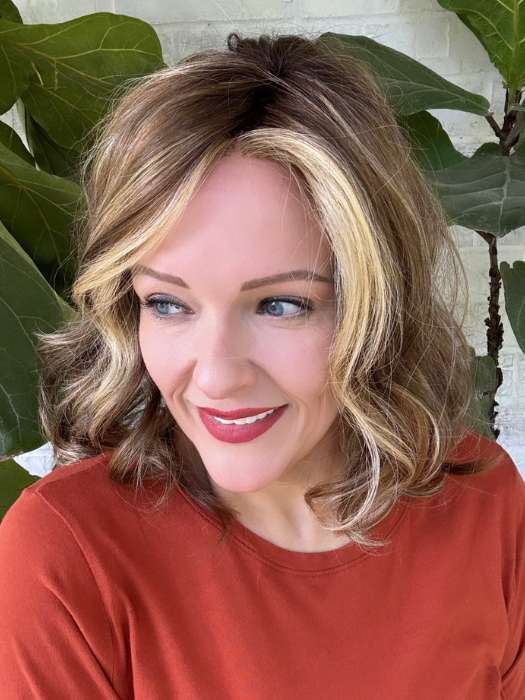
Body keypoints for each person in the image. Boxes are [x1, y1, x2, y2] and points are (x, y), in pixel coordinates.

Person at [0, 31, 524, 699]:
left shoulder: (483, 504)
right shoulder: (67, 554)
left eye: (280, 305)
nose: (215, 377)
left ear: (375, 303)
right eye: (167, 303)